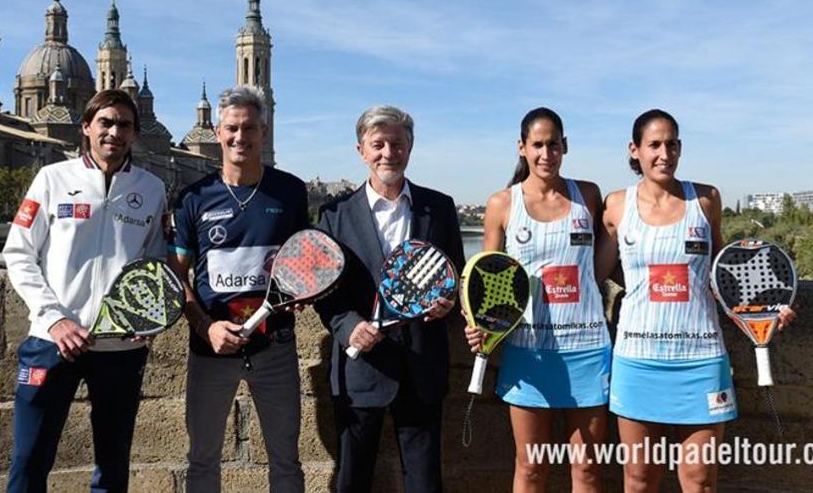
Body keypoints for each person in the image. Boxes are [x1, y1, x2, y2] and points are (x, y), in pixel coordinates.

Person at [598, 109, 794, 492]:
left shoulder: (705, 200)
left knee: (700, 481)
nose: (664, 153)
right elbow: (594, 275)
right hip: (637, 361)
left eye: (672, 144)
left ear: (680, 148)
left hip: (700, 360)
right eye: (654, 144)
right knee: (638, 481)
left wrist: (770, 310)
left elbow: (727, 275)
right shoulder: (617, 205)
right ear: (634, 150)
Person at [3, 89, 168, 493]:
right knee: (28, 460)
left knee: (113, 465)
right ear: (86, 128)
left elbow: (155, 265)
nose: (114, 132)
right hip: (52, 342)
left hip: (120, 349)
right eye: (105, 123)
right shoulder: (51, 179)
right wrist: (56, 320)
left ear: (134, 133)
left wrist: (147, 319)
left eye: (124, 125)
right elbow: (18, 254)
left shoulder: (152, 189)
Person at [313, 105, 464, 493]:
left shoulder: (440, 208)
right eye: (377, 144)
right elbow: (323, 291)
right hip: (361, 367)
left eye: (396, 143)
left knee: (425, 482)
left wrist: (448, 303)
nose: (388, 153)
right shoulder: (334, 215)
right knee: (352, 480)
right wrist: (348, 327)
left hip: (422, 365)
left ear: (410, 148)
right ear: (361, 150)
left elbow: (456, 276)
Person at [169, 85, 309, 493]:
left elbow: (304, 261)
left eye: (250, 128)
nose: (240, 137)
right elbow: (177, 276)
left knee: (286, 462)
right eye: (232, 128)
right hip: (212, 349)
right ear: (218, 132)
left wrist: (301, 294)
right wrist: (205, 327)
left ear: (264, 132)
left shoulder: (291, 191)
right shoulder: (193, 198)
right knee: (202, 461)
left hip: (275, 346)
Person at [464, 107, 611, 492]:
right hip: (528, 351)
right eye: (538, 145)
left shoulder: (589, 195)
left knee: (588, 470)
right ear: (522, 148)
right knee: (530, 468)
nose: (547, 154)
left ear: (566, 146)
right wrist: (478, 327)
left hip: (588, 349)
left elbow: (612, 263)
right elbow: (483, 279)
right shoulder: (502, 204)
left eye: (555, 145)